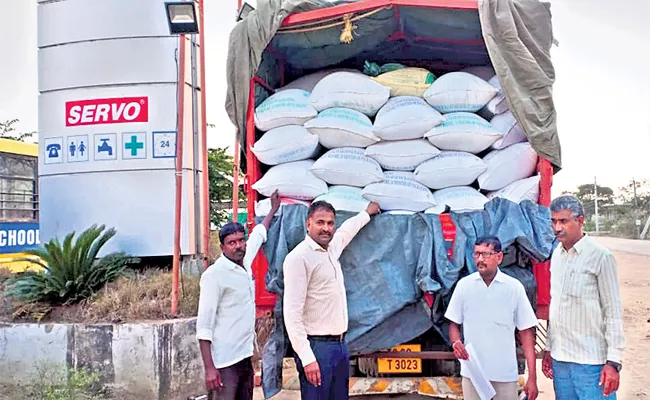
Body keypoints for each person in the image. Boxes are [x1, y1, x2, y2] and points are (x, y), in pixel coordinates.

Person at [283, 200, 381, 400]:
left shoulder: (330, 249)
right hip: (317, 349)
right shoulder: (299, 258)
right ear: (308, 223)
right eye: (320, 222)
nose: (326, 228)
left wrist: (367, 213)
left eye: (330, 223)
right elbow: (292, 315)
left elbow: (346, 232)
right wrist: (308, 358)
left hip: (339, 346)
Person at [196, 191, 281, 400]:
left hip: (244, 356)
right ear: (223, 246)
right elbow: (204, 326)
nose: (238, 246)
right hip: (224, 362)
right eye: (232, 243)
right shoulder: (214, 276)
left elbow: (259, 233)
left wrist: (273, 210)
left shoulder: (245, 259)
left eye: (241, 241)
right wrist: (209, 369)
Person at [542, 195, 625, 399]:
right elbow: (557, 304)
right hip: (561, 361)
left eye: (563, 221)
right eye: (553, 221)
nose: (557, 228)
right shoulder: (557, 255)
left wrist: (613, 361)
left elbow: (612, 312)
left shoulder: (601, 256)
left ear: (580, 221)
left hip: (591, 363)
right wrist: (549, 348)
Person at [445, 236, 539, 400]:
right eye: (477, 254)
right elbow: (453, 324)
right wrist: (456, 342)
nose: (480, 259)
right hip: (473, 374)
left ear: (499, 257)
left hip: (505, 375)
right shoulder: (464, 286)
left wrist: (532, 377)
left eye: (486, 254)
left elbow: (526, 333)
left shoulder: (513, 288)